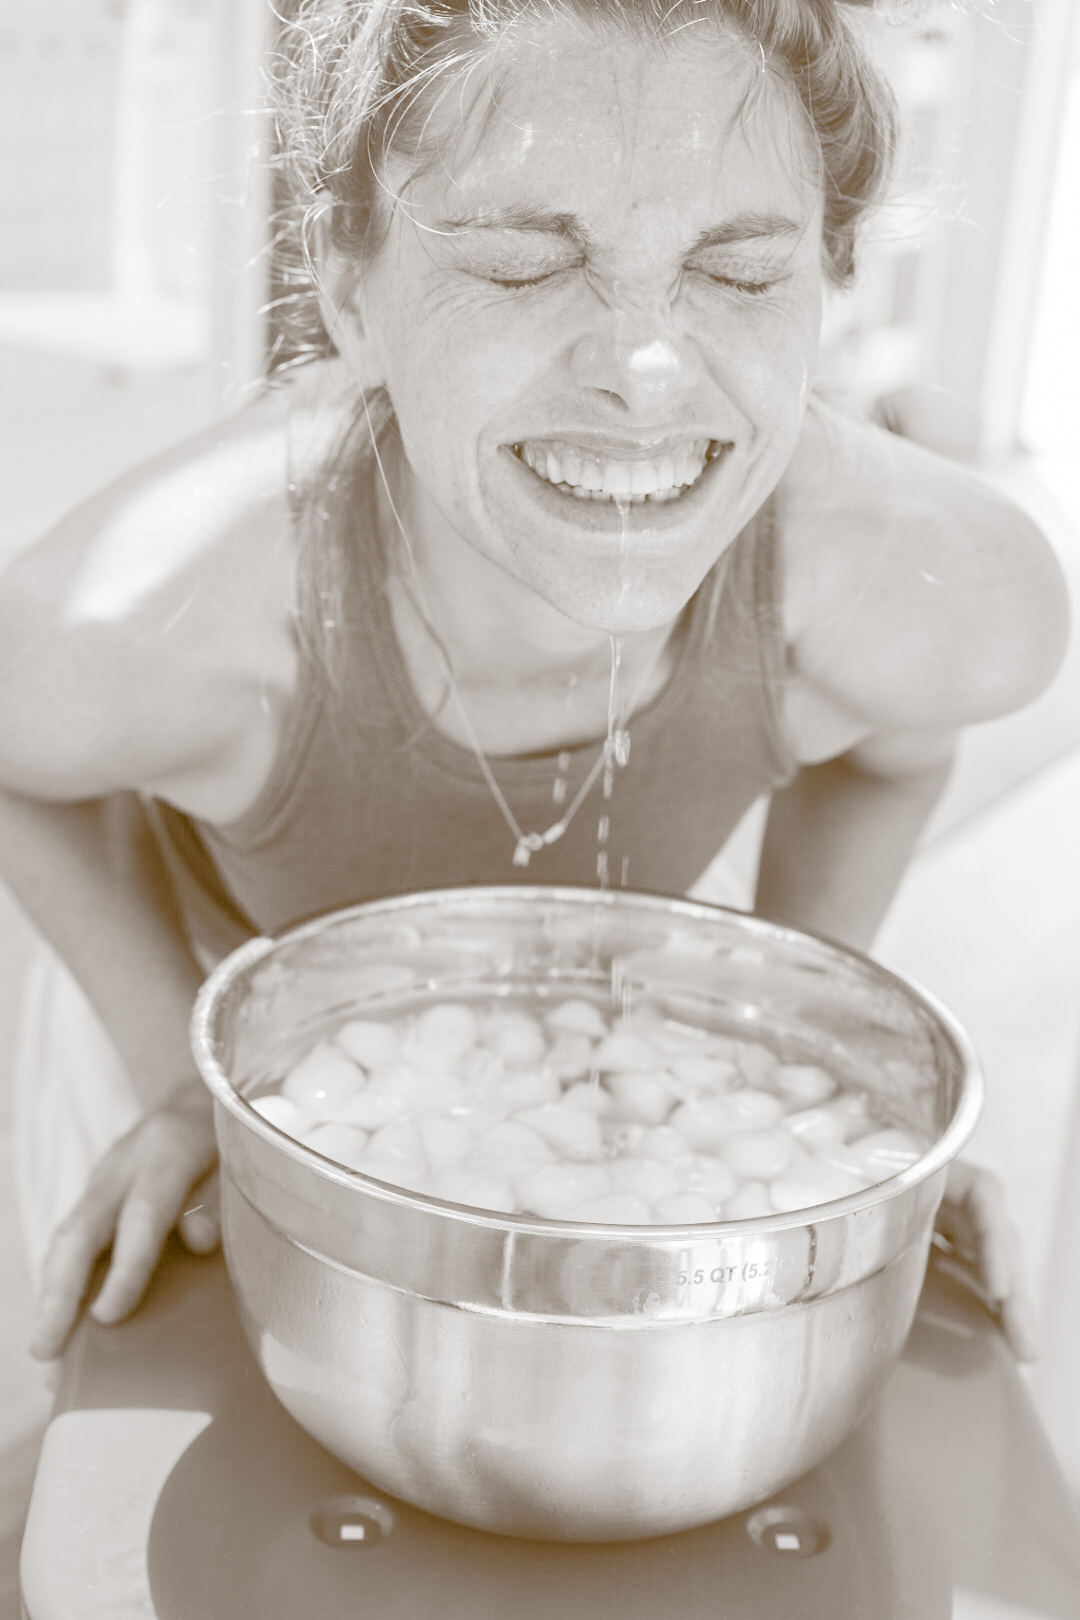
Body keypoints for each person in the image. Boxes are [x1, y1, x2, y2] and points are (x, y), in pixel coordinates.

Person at [0, 0, 1065, 1364]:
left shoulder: (940, 604)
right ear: (346, 294)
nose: (644, 372)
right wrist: (176, 1076)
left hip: (601, 1029)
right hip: (205, 1008)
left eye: (738, 275)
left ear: (828, 284)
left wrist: (815, 1091)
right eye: (516, 268)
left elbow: (900, 749)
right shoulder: (163, 627)